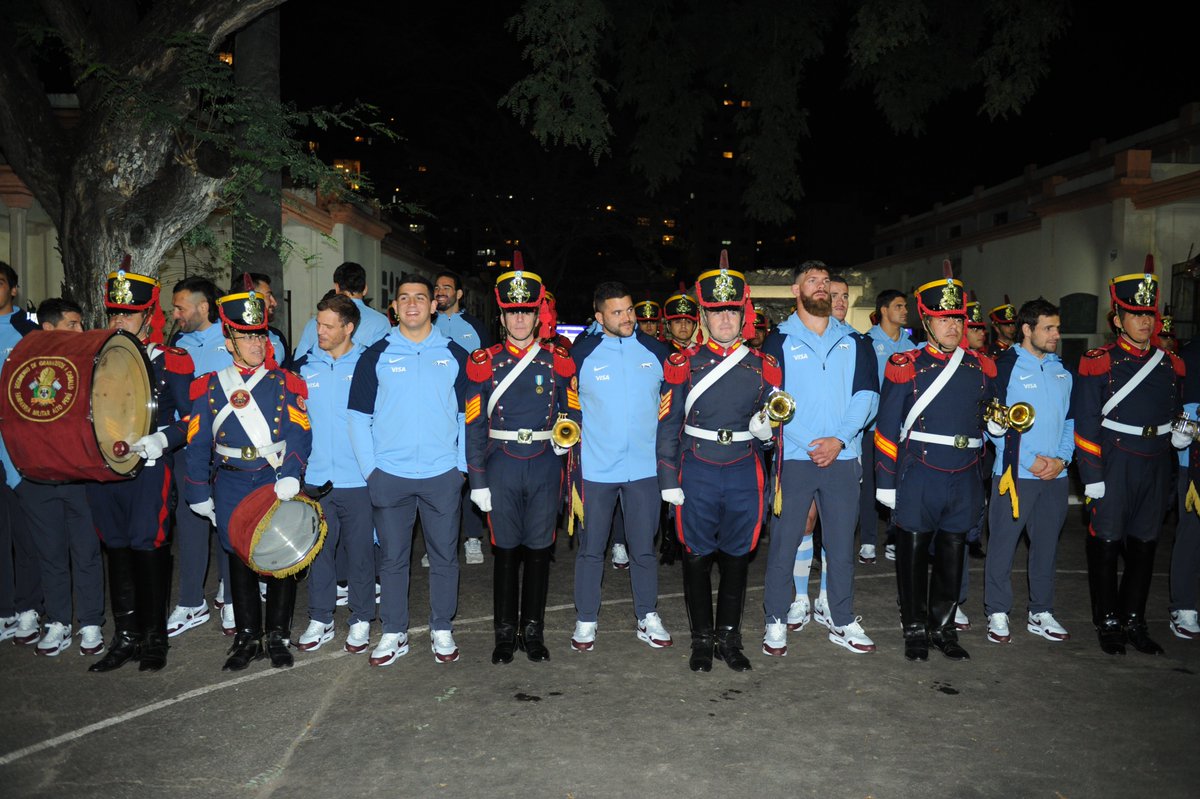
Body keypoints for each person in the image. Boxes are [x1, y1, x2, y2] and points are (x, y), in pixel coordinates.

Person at [657, 252, 781, 672]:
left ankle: (729, 638)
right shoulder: (681, 364)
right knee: (695, 556)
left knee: (735, 557)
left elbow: (776, 418)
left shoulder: (764, 365)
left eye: (732, 310)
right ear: (703, 316)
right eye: (716, 311)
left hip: (745, 468)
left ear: (742, 314)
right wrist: (667, 477)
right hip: (697, 469)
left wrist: (766, 430)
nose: (725, 319)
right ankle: (701, 640)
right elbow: (668, 424)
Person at [184, 288, 312, 671]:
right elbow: (196, 443)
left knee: (280, 558)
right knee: (238, 560)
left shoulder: (285, 383)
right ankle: (246, 635)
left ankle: (277, 635)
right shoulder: (209, 386)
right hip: (232, 483)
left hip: (273, 480)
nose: (258, 343)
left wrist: (290, 474)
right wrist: (198, 491)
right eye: (247, 336)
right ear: (229, 342)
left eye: (261, 335)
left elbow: (301, 433)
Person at [875, 268, 996, 662]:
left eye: (958, 318)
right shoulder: (905, 363)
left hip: (963, 473)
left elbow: (987, 413)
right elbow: (887, 427)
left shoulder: (980, 366)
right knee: (912, 554)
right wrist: (886, 482)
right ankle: (914, 629)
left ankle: (943, 627)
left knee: (952, 554)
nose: (953, 326)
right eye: (944, 318)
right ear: (926, 320)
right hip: (920, 472)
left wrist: (994, 424)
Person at [348, 273, 469, 666]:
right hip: (390, 475)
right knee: (393, 559)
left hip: (441, 474)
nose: (413, 304)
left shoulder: (454, 354)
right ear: (395, 307)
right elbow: (356, 417)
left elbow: (471, 416)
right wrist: (372, 470)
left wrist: (460, 468)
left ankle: (441, 627)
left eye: (421, 297)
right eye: (405, 298)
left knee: (445, 557)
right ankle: (395, 631)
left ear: (435, 305)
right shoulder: (375, 354)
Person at [761, 261, 879, 657]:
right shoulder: (777, 340)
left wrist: (839, 440)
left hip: (843, 458)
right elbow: (771, 399)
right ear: (796, 291)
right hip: (796, 458)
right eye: (813, 281)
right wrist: (813, 443)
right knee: (784, 542)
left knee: (842, 545)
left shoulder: (856, 341)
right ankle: (776, 618)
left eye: (826, 282)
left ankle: (841, 618)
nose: (822, 287)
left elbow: (867, 396)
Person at [465, 262, 575, 663]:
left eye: (526, 311)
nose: (520, 318)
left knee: (539, 551)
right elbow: (474, 424)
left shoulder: (557, 360)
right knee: (506, 552)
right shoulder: (484, 361)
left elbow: (572, 410)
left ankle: (534, 632)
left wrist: (566, 439)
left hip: (546, 463)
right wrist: (477, 479)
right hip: (502, 466)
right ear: (502, 316)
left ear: (536, 313)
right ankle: (504, 634)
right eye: (512, 311)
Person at [86, 268, 194, 672]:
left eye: (129, 313)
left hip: (149, 468)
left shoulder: (172, 361)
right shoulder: (94, 357)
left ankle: (153, 636)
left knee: (148, 544)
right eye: (114, 312)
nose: (119, 321)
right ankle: (125, 636)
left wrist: (163, 440)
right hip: (104, 468)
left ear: (149, 316)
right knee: (115, 544)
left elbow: (194, 418)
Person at [1072, 262, 1182, 656]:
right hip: (1116, 460)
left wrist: (1180, 437)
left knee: (1145, 544)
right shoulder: (1100, 361)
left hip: (1155, 461)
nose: (1143, 322)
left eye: (1148, 314)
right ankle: (1109, 621)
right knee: (1106, 540)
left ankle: (1135, 618)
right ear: (1117, 318)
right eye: (1135, 314)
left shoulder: (1168, 364)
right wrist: (1092, 475)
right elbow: (1084, 424)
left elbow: (1174, 411)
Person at [567, 281, 673, 653]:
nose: (628, 318)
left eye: (629, 310)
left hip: (645, 469)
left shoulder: (657, 351)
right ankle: (586, 619)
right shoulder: (581, 353)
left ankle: (647, 615)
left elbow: (672, 405)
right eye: (617, 312)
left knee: (643, 548)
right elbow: (568, 406)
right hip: (596, 470)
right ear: (599, 317)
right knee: (591, 549)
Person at [15, 298, 105, 657]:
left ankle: (91, 621)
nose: (79, 331)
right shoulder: (21, 363)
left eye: (81, 324)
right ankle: (58, 621)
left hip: (79, 476)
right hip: (36, 477)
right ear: (47, 329)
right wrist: (16, 472)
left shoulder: (88, 363)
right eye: (72, 324)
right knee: (50, 554)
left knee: (86, 552)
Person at [982, 298, 1075, 645]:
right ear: (1027, 329)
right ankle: (998, 611)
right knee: (1003, 544)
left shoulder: (1062, 369)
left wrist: (1062, 460)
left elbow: (1070, 420)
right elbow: (995, 421)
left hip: (1055, 475)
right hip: (1015, 473)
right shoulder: (1003, 367)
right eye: (1049, 328)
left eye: (1057, 328)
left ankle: (1041, 611)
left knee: (1047, 545)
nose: (1056, 334)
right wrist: (1029, 460)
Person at [292, 295, 376, 655]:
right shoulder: (302, 368)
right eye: (317, 323)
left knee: (360, 554)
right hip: (316, 479)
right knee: (319, 554)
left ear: (348, 328)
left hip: (359, 480)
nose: (319, 331)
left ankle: (360, 619)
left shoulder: (370, 364)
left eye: (328, 325)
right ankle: (321, 618)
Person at [169, 276, 234, 636]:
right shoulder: (177, 344)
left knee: (226, 519)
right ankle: (191, 601)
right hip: (188, 448)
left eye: (181, 307)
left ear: (204, 307)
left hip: (226, 447)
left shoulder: (232, 338)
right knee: (191, 521)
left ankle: (229, 592)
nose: (175, 313)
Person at [432, 269, 492, 567]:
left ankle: (472, 538)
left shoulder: (474, 327)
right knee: (436, 479)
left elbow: (486, 373)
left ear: (458, 294)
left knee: (468, 474)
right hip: (433, 414)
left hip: (466, 413)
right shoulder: (425, 325)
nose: (440, 290)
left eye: (447, 286)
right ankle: (438, 544)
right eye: (437, 287)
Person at [0, 261, 42, 647]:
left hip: (20, 450)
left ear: (13, 290)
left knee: (27, 535)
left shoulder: (28, 333)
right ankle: (4, 609)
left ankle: (30, 608)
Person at [861, 289, 918, 564]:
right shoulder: (868, 343)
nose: (904, 311)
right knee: (871, 486)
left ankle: (895, 538)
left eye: (905, 306)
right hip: (873, 427)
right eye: (898, 306)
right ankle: (869, 540)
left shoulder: (912, 346)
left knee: (900, 484)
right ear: (883, 310)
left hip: (904, 431)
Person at [293, 261, 391, 358]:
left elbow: (299, 362)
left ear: (336, 287)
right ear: (365, 289)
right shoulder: (380, 322)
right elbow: (383, 360)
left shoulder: (314, 323)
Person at [1169, 334, 1200, 640]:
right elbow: (1186, 410)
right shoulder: (1192, 354)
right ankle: (1184, 605)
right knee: (1191, 535)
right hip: (1195, 465)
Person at [232, 272, 292, 370]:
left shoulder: (277, 336)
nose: (274, 303)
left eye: (262, 337)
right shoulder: (225, 336)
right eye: (268, 296)